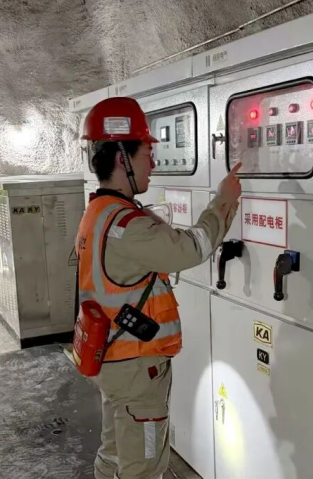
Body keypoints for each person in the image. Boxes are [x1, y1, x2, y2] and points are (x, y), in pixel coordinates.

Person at [76, 97, 242, 479]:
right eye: (147, 153)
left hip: (112, 360)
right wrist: (224, 201)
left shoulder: (99, 212)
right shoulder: (127, 226)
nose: (152, 163)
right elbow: (192, 247)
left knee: (115, 454)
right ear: (122, 158)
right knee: (144, 468)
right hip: (135, 366)